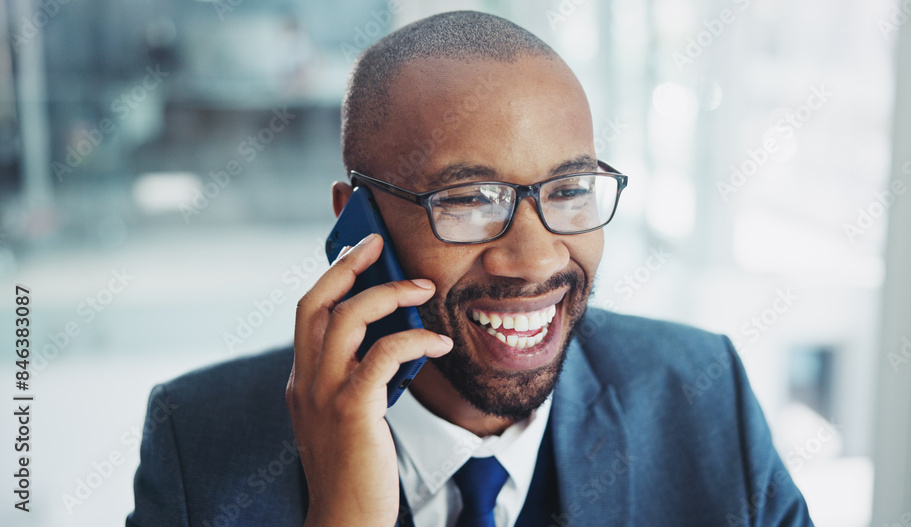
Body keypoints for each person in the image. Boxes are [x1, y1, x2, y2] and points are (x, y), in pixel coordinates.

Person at [127, 10, 813, 527]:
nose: (536, 257)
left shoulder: (702, 394)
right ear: (354, 220)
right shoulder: (199, 443)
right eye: (470, 201)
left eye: (569, 190)